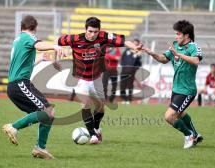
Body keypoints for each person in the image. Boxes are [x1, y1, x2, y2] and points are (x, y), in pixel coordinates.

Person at [57, 17, 142, 144]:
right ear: (85, 29)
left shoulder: (104, 37)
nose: (92, 35)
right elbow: (58, 41)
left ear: (99, 31)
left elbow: (124, 41)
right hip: (81, 78)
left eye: (95, 32)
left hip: (96, 78)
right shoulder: (74, 39)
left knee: (100, 108)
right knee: (85, 104)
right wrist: (58, 50)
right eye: (90, 31)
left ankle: (96, 128)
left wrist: (134, 47)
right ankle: (93, 136)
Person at [2, 15, 63, 159]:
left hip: (19, 84)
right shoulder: (28, 37)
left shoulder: (18, 41)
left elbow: (25, 64)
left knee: (49, 112)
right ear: (34, 29)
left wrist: (42, 59)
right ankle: (13, 127)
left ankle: (40, 149)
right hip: (19, 84)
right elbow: (38, 44)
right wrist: (54, 46)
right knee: (47, 112)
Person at [142, 20, 203, 149]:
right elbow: (164, 59)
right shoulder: (176, 45)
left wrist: (178, 54)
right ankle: (196, 135)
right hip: (176, 89)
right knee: (180, 114)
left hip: (187, 90)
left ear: (186, 35)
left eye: (178, 34)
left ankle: (189, 135)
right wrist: (151, 53)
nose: (176, 36)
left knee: (169, 116)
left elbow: (196, 61)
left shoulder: (193, 47)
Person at [120, 39, 142, 104]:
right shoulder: (126, 51)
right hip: (124, 70)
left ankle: (129, 99)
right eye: (133, 43)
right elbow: (122, 60)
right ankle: (124, 99)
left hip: (132, 71)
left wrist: (137, 55)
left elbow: (139, 63)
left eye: (136, 44)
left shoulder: (138, 53)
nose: (134, 45)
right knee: (122, 85)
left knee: (130, 85)